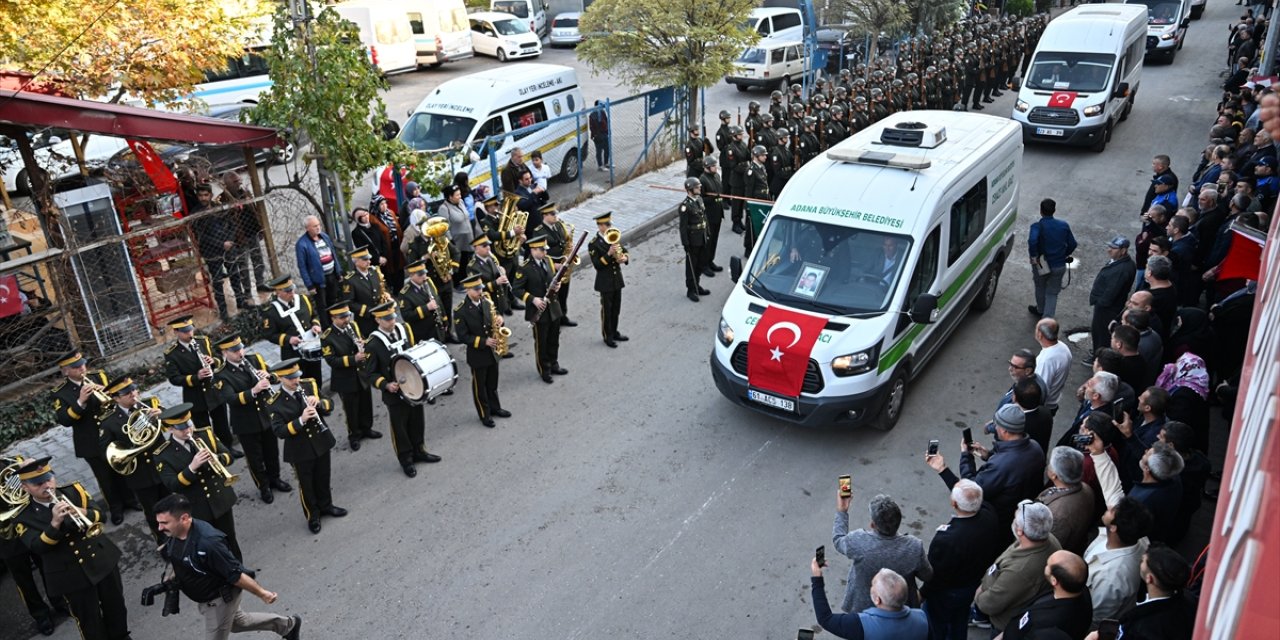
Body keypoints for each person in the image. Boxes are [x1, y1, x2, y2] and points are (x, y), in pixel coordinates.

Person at [11, 456, 132, 640]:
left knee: (115, 606)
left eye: (48, 479)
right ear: (25, 488)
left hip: (100, 559)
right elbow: (37, 547)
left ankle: (121, 636)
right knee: (89, 620)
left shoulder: (73, 491)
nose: (47, 486)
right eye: (38, 484)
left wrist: (82, 512)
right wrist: (55, 523)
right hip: (69, 575)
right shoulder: (23, 516)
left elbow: (101, 517)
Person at [153, 494, 302, 640]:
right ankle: (288, 626)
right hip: (207, 598)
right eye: (159, 523)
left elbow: (235, 575)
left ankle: (287, 625)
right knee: (237, 623)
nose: (159, 528)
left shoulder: (209, 544)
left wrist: (263, 593)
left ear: (184, 518)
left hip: (219, 601)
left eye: (164, 523)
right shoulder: (176, 532)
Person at [931, 404, 1047, 530]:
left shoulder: (1001, 466)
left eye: (997, 425)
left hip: (999, 521)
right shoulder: (1036, 447)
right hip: (1020, 507)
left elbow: (971, 489)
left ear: (1004, 431)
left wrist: (965, 456)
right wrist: (989, 455)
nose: (995, 428)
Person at [265, 359, 347, 534]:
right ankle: (313, 515)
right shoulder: (274, 402)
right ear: (280, 379)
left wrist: (319, 402)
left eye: (296, 376)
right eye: (290, 378)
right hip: (300, 449)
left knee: (323, 476)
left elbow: (329, 405)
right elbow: (279, 431)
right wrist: (301, 420)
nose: (295, 381)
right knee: (306, 484)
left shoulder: (308, 385)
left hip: (321, 440)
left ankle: (326, 506)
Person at [51, 350, 132, 525]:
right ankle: (115, 508)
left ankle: (131, 500)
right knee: (105, 477)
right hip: (90, 440)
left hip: (111, 434)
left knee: (122, 468)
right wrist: (80, 401)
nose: (82, 368)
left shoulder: (98, 376)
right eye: (76, 367)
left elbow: (114, 400)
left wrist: (106, 392)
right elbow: (65, 420)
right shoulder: (60, 393)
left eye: (83, 363)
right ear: (65, 371)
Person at [154, 403, 242, 560]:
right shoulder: (162, 454)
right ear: (170, 429)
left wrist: (216, 459)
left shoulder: (205, 434)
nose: (187, 430)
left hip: (220, 497)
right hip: (196, 506)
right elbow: (173, 484)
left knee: (230, 537)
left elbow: (228, 456)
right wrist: (192, 468)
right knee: (208, 544)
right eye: (181, 428)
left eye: (188, 425)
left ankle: (239, 568)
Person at [362, 303, 440, 476]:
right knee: (400, 428)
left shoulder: (404, 329)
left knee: (417, 421)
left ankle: (420, 450)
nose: (392, 321)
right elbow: (369, 374)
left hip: (414, 385)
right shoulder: (373, 344)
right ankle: (406, 459)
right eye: (388, 319)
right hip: (394, 393)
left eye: (393, 316)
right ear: (378, 320)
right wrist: (385, 385)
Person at [919, 479, 1002, 640]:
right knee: (959, 622)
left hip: (949, 592)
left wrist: (922, 593)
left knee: (936, 625)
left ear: (954, 504)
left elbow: (936, 575)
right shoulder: (989, 514)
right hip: (972, 583)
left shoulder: (947, 539)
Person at [213, 336, 290, 505]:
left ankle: (275, 479)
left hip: (265, 415)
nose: (240, 352)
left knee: (272, 451)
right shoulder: (220, 375)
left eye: (241, 348)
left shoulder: (254, 359)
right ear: (225, 353)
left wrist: (269, 376)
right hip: (245, 422)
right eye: (235, 351)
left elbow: (275, 376)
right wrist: (254, 390)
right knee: (255, 458)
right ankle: (263, 486)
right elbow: (230, 399)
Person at [832, 492, 933, 613]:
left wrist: (842, 511)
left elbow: (838, 540)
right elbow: (927, 575)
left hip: (863, 609)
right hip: (900, 608)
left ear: (873, 524)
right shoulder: (914, 547)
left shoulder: (859, 541)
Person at [975, 500, 1061, 634]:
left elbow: (988, 604)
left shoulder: (1020, 571)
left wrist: (979, 594)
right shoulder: (1048, 539)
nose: (1013, 521)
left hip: (1004, 625)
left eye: (1015, 519)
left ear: (1020, 531)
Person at [163, 317, 239, 459]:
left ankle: (228, 449)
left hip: (213, 390)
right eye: (185, 331)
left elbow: (218, 358)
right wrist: (195, 377)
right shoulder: (172, 353)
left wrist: (213, 361)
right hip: (195, 395)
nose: (189, 333)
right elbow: (174, 378)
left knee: (221, 422)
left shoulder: (202, 341)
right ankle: (212, 454)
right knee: (203, 427)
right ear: (176, 332)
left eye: (190, 329)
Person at [1084, 546, 1195, 640]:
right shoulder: (1188, 599)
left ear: (1149, 578)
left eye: (1143, 561)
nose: (1140, 561)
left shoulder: (1144, 630)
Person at [810, 564, 929, 640]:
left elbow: (825, 619)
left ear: (877, 600)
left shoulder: (861, 625)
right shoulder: (922, 619)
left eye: (872, 585)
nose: (870, 587)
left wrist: (817, 579)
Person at [452, 275, 511, 428]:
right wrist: (484, 342)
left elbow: (495, 313)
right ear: (467, 290)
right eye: (476, 289)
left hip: (493, 351)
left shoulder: (486, 301)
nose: (480, 291)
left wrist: (499, 319)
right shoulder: (461, 311)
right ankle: (484, 414)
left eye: (481, 288)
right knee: (480, 386)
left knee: (492, 382)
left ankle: (495, 407)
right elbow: (463, 336)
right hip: (478, 354)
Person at [1083, 497, 1152, 626]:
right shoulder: (1140, 539)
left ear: (1114, 528)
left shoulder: (1111, 579)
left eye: (1112, 511)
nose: (1109, 508)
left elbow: (1096, 619)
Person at [321, 302, 379, 450]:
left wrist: (363, 343)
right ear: (333, 318)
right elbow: (331, 360)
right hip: (345, 378)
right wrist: (354, 359)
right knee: (351, 409)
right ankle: (354, 435)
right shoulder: (327, 337)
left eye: (347, 315)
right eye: (342, 317)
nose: (346, 319)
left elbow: (361, 341)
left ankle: (367, 428)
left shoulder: (352, 326)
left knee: (366, 403)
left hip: (361, 374)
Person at [1000, 550, 1093, 640]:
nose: (1046, 565)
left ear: (1054, 580)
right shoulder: (1079, 589)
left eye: (1048, 565)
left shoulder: (1048, 626)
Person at [512, 236, 567, 383]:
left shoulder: (547, 261)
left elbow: (553, 279)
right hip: (538, 311)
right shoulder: (524, 268)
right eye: (541, 250)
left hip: (553, 307)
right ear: (533, 250)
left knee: (554, 339)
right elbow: (516, 290)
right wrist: (532, 299)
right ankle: (545, 369)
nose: (544, 252)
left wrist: (558, 285)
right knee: (541, 342)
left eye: (545, 249)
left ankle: (554, 363)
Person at [190, 183, 248, 320]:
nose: (203, 198)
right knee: (217, 282)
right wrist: (222, 244)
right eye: (200, 195)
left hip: (228, 247)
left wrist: (230, 240)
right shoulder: (195, 213)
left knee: (235, 275)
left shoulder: (219, 207)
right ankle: (223, 311)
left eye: (206, 195)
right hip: (212, 251)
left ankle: (240, 302)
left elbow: (232, 224)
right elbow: (201, 237)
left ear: (210, 195)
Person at [261, 275, 324, 386]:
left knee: (316, 379)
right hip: (292, 354)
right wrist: (288, 339)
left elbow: (314, 316)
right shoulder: (271, 311)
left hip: (311, 347)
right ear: (278, 292)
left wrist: (315, 325)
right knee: (299, 383)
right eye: (287, 291)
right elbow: (269, 334)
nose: (292, 292)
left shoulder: (303, 299)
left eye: (292, 289)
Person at [1037, 447, 1096, 556]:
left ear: (1054, 475)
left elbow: (1048, 548)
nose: (1048, 467)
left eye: (1050, 465)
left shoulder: (1057, 514)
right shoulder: (1086, 488)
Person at [219, 170, 268, 294]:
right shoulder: (222, 199)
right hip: (238, 237)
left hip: (253, 232)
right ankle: (247, 290)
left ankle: (260, 283)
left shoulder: (245, 193)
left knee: (258, 260)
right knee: (243, 266)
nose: (239, 184)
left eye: (239, 181)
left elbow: (255, 211)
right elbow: (224, 220)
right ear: (227, 184)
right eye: (235, 182)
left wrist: (260, 228)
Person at [1089, 237, 1137, 363]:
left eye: (1113, 248)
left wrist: (1100, 303)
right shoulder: (1119, 262)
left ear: (1123, 250)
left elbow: (1111, 293)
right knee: (1098, 332)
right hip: (1107, 306)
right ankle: (1097, 352)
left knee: (1102, 334)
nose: (1109, 250)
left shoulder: (1122, 269)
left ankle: (1099, 358)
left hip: (1107, 308)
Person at [1028, 198, 1077, 319]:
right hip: (1059, 264)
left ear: (1041, 211)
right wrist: (1065, 254)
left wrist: (1034, 256)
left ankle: (1040, 310)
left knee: (1040, 286)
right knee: (1052, 293)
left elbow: (1033, 241)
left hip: (1041, 264)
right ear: (1054, 210)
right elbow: (1073, 243)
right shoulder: (1063, 225)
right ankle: (1047, 318)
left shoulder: (1037, 226)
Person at [1128, 442, 1184, 543]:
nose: (1144, 451)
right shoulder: (1173, 477)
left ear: (1147, 469)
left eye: (1147, 454)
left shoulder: (1141, 501)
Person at [587, 212, 628, 348]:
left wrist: (624, 258)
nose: (610, 226)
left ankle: (615, 331)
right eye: (607, 224)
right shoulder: (593, 244)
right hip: (605, 282)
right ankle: (607, 335)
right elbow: (597, 265)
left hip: (617, 279)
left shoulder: (613, 237)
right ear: (600, 226)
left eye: (610, 224)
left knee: (616, 309)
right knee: (607, 310)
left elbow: (624, 250)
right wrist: (609, 254)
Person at [1114, 387, 1167, 490]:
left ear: (1148, 408)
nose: (1138, 398)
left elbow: (1142, 455)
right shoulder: (1144, 417)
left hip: (1128, 479)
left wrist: (1129, 436)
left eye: (1141, 398)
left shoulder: (1153, 435)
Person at [294, 215, 342, 328]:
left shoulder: (324, 236)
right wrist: (309, 285)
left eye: (318, 225)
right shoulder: (302, 244)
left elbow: (333, 254)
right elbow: (302, 266)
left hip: (331, 275)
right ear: (307, 228)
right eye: (315, 226)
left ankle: (336, 325)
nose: (318, 227)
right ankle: (327, 328)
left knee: (333, 301)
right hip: (318, 280)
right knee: (322, 305)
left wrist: (338, 271)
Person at [539, 205, 578, 327]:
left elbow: (565, 240)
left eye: (556, 213)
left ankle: (563, 316)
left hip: (563, 264)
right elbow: (539, 254)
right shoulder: (539, 231)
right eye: (553, 214)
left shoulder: (559, 225)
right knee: (553, 296)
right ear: (545, 215)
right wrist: (553, 265)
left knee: (564, 293)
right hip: (552, 267)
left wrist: (570, 247)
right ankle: (554, 321)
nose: (556, 215)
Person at [340, 247, 388, 339]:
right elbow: (349, 303)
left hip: (381, 317)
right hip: (366, 321)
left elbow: (381, 288)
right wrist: (369, 311)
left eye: (369, 259)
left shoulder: (373, 272)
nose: (369, 262)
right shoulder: (350, 280)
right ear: (356, 261)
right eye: (365, 260)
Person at [398, 259, 447, 344]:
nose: (424, 276)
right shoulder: (405, 294)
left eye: (425, 272)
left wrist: (445, 320)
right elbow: (407, 316)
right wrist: (426, 308)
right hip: (423, 333)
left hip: (437, 329)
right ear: (411, 275)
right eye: (420, 274)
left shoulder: (428, 282)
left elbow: (438, 301)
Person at [678, 177, 711, 302]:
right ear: (690, 190)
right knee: (692, 265)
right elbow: (683, 227)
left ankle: (697, 285)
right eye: (697, 187)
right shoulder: (685, 206)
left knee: (700, 264)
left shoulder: (699, 200)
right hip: (693, 241)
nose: (700, 188)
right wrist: (685, 244)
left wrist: (707, 232)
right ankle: (691, 289)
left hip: (702, 237)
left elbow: (704, 218)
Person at [1033, 319, 1071, 416]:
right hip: (1053, 402)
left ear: (1040, 334)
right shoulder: (1063, 347)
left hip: (1043, 408)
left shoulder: (1047, 360)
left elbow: (1040, 390)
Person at [698, 156, 726, 274]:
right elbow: (700, 200)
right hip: (709, 215)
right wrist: (712, 197)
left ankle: (710, 260)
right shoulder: (702, 180)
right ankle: (704, 265)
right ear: (707, 167)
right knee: (707, 241)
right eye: (713, 165)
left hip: (717, 213)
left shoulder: (717, 176)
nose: (716, 167)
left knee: (714, 240)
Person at [589, 100, 609, 170]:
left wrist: (607, 131)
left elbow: (606, 121)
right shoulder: (592, 115)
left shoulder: (603, 112)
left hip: (604, 133)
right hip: (598, 135)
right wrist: (595, 135)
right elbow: (591, 127)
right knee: (599, 150)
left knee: (607, 149)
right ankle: (600, 166)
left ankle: (606, 163)